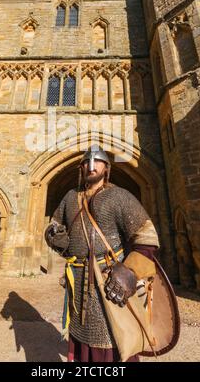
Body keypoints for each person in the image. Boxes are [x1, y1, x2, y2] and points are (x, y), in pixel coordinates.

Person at [45, 147, 160, 363]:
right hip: (78, 281)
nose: (91, 166)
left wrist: (129, 271)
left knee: (114, 338)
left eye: (97, 162)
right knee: (81, 338)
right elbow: (55, 225)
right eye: (86, 163)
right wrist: (54, 235)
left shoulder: (119, 196)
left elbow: (147, 238)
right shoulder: (70, 198)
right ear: (81, 169)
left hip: (109, 279)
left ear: (106, 168)